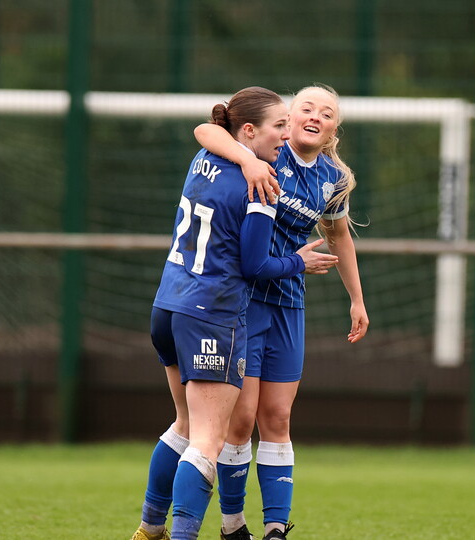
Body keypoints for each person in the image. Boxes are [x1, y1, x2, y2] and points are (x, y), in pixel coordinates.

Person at [131, 87, 339, 540]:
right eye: (279, 126)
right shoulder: (261, 184)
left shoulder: (204, 159)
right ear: (248, 131)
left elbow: (206, 131)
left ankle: (149, 528)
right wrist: (299, 262)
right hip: (212, 311)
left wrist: (245, 155)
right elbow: (255, 266)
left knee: (185, 426)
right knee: (208, 439)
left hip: (168, 304)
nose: (285, 135)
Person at [194, 84, 370, 540]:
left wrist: (356, 299)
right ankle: (233, 525)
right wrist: (248, 160)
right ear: (288, 119)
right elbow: (205, 131)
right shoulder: (268, 151)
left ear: (333, 129)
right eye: (306, 108)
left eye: (326, 113)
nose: (315, 117)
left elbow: (338, 236)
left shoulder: (332, 178)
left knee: (277, 417)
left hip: (289, 303)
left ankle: (275, 529)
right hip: (247, 298)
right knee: (241, 419)